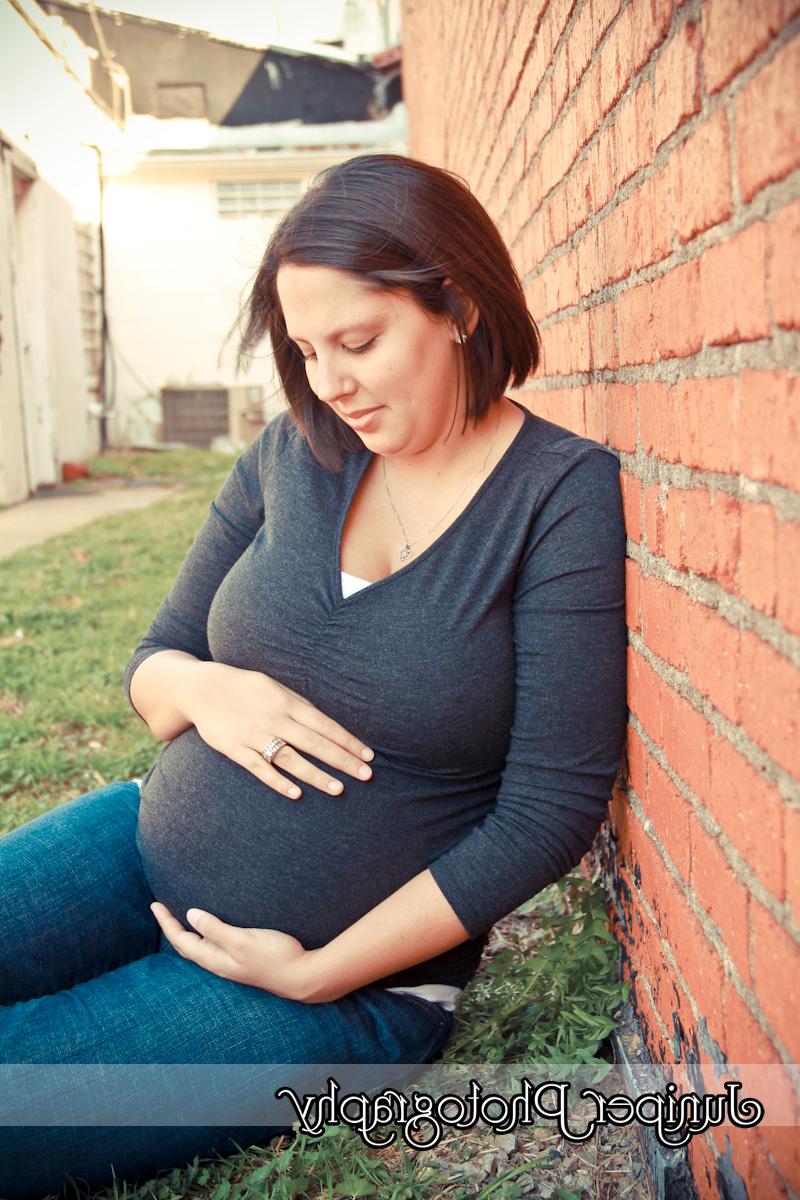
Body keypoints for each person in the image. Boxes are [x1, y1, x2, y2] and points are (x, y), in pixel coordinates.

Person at [0, 153, 628, 1198]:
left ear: (460, 304)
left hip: (335, 994)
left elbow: (548, 810)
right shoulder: (295, 454)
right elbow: (154, 662)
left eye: (359, 341)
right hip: (136, 845)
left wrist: (318, 972)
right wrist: (206, 689)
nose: (328, 381)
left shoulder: (556, 496)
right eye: (303, 348)